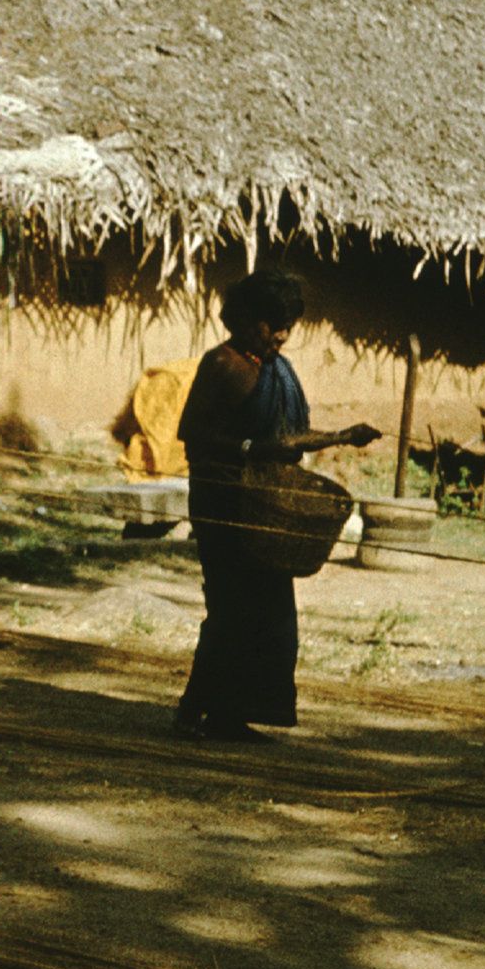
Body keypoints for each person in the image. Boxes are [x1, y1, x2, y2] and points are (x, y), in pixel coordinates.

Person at [173, 270, 381, 743]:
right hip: (223, 502)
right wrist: (247, 449)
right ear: (244, 319)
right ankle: (192, 711)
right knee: (229, 611)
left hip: (266, 505)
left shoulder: (277, 369)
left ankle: (231, 716)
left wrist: (343, 436)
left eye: (288, 324)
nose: (282, 334)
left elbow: (286, 439)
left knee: (269, 614)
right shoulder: (222, 365)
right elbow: (194, 435)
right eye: (273, 324)